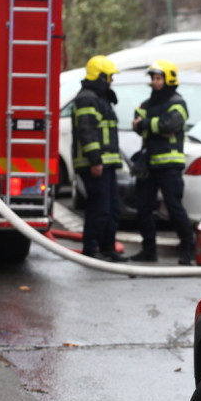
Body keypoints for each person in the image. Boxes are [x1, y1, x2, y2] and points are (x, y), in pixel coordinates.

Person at [130, 59, 195, 265]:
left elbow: (170, 125)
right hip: (148, 164)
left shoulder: (178, 103)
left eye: (159, 78)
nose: (156, 82)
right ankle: (149, 250)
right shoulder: (146, 104)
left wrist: (147, 123)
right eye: (154, 78)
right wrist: (154, 126)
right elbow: (137, 123)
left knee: (174, 208)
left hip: (169, 166)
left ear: (169, 79)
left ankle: (188, 249)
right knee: (143, 208)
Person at [70, 55, 127, 262]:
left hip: (106, 163)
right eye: (109, 76)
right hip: (94, 164)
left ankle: (108, 248)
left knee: (112, 209)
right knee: (99, 209)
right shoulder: (87, 99)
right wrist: (95, 160)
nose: (112, 81)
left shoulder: (100, 98)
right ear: (100, 76)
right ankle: (91, 248)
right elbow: (87, 132)